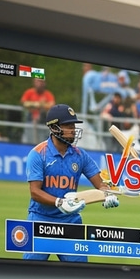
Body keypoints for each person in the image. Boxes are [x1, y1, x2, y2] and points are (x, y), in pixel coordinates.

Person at [23, 104, 120, 262]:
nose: (73, 129)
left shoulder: (80, 155)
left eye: (74, 125)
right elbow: (35, 192)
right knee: (28, 273)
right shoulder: (37, 154)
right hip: (41, 220)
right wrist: (59, 202)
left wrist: (107, 194)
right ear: (54, 128)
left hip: (70, 222)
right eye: (68, 125)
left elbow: (100, 184)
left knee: (81, 275)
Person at [19, 77, 55, 144]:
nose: (39, 84)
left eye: (41, 82)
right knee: (29, 141)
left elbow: (51, 105)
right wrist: (38, 104)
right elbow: (24, 102)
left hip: (42, 123)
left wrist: (41, 105)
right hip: (30, 121)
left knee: (41, 142)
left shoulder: (48, 94)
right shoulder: (29, 92)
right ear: (34, 82)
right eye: (38, 81)